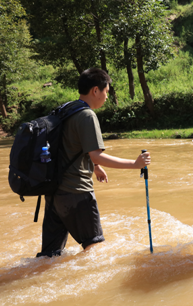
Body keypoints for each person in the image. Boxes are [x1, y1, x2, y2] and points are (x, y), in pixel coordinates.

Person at [36, 68, 151, 257]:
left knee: (49, 256)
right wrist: (135, 164)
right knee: (95, 250)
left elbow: (69, 146)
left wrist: (95, 167)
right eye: (106, 92)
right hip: (77, 192)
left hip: (54, 193)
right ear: (95, 90)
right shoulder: (87, 115)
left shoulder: (65, 109)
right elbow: (96, 155)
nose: (106, 96)